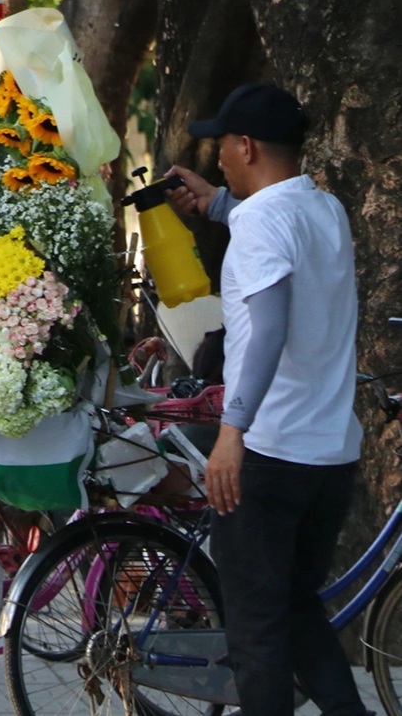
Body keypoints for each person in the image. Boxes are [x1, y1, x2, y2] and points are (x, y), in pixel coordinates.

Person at [165, 82, 363, 716]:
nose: (217, 154)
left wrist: (232, 433)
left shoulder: (260, 225)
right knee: (299, 609)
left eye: (222, 143)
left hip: (269, 453)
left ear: (245, 145)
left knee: (256, 632)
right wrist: (219, 203)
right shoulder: (323, 209)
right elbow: (274, 227)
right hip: (329, 453)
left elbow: (269, 329)